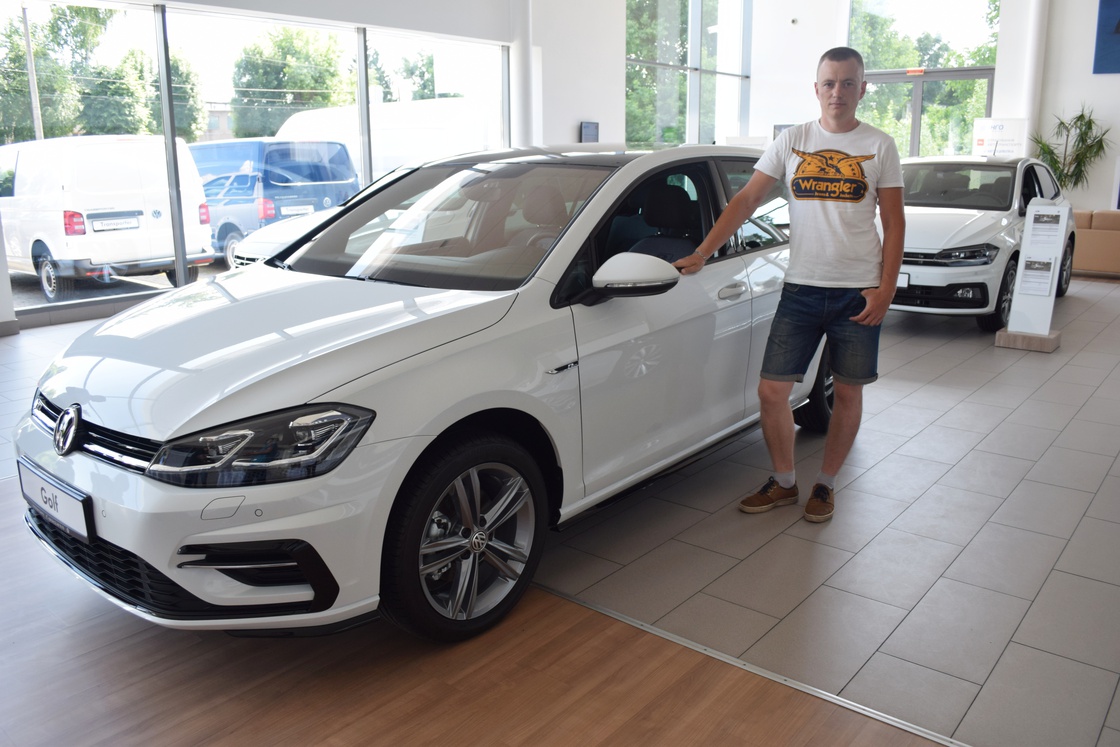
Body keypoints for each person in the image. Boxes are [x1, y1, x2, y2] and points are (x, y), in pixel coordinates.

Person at [673, 46, 905, 523]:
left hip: (859, 292)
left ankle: (826, 484)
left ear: (862, 89)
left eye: (847, 83)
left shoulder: (880, 145)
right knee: (771, 392)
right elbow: (746, 200)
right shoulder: (793, 140)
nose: (837, 92)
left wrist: (886, 289)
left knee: (847, 393)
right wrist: (703, 251)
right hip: (801, 289)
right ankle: (783, 483)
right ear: (816, 88)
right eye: (829, 83)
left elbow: (894, 221)